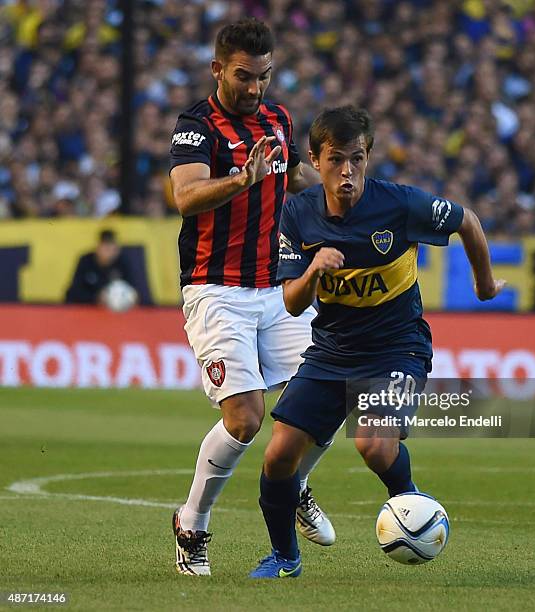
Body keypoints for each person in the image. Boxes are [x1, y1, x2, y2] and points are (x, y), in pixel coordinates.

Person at [249, 106, 506, 578]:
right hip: (331, 350)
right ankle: (284, 557)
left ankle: (411, 506)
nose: (347, 172)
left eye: (358, 159)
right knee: (279, 454)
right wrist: (312, 271)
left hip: (397, 347)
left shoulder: (399, 205)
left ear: (369, 157)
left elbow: (467, 219)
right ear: (314, 159)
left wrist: (484, 283)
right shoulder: (298, 214)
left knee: (372, 443)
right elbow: (289, 301)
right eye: (335, 160)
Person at [168, 18, 335, 577]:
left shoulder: (278, 119)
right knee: (245, 420)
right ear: (217, 69)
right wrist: (241, 179)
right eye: (244, 76)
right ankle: (192, 526)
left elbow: (296, 176)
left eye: (264, 77)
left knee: (323, 401)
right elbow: (186, 195)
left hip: (275, 289)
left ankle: (293, 486)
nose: (255, 88)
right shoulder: (198, 126)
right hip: (215, 290)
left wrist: (341, 188)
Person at [65, 229, 137, 305]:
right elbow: (73, 292)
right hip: (88, 308)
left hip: (116, 310)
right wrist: (96, 297)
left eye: (112, 247)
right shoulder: (86, 261)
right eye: (105, 247)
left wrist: (130, 297)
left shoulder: (123, 262)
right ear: (98, 247)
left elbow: (133, 290)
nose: (109, 251)